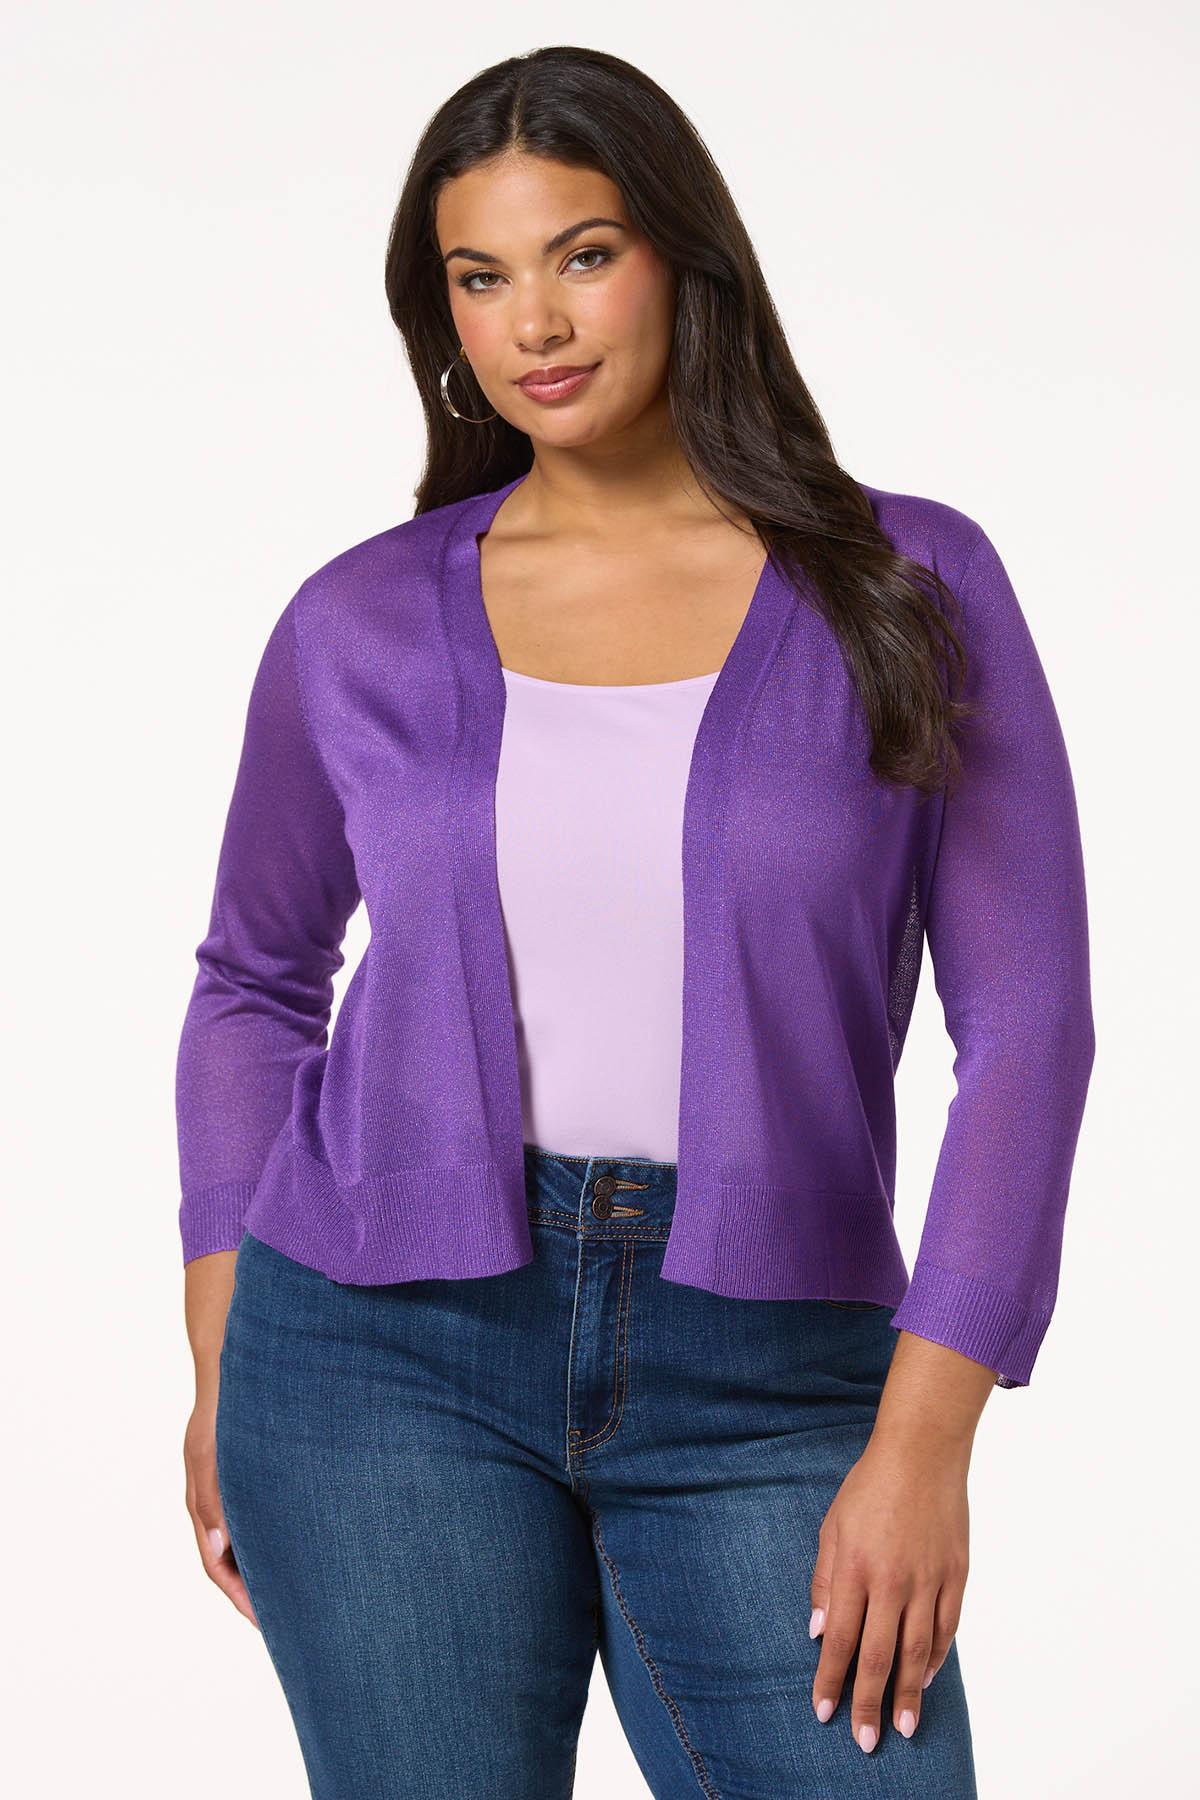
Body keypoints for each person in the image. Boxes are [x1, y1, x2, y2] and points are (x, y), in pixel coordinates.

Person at [177, 45, 1094, 1800]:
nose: (535, 320)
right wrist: (222, 1349)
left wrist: (925, 1444)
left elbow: (1029, 1031)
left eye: (583, 254)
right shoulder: (359, 620)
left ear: (683, 256)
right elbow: (253, 978)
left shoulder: (909, 588)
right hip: (375, 1355)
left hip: (771, 1365)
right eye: (481, 275)